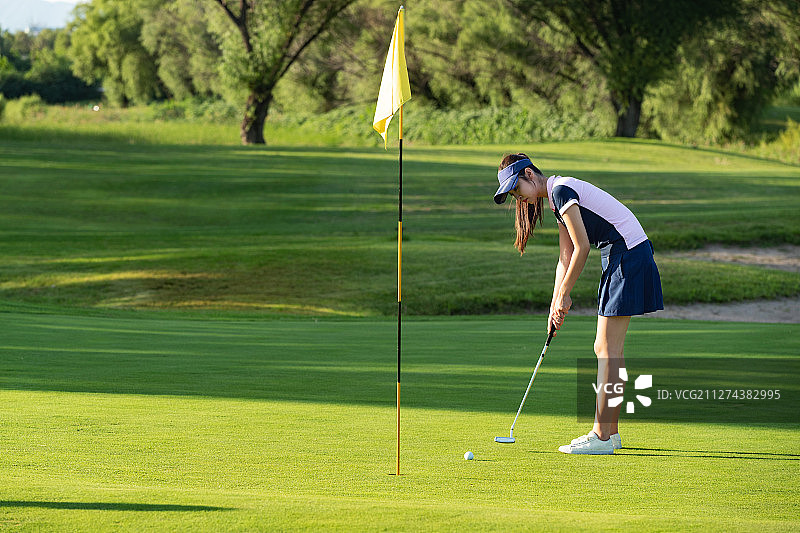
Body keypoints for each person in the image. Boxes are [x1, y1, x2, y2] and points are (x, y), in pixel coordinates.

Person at [493, 153, 663, 455]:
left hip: (628, 254)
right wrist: (554, 302)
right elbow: (566, 256)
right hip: (623, 254)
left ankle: (600, 435)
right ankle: (610, 434)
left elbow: (583, 247)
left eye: (516, 189)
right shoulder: (558, 199)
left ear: (530, 174)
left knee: (606, 348)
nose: (518, 198)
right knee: (609, 349)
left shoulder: (561, 191)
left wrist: (566, 294)